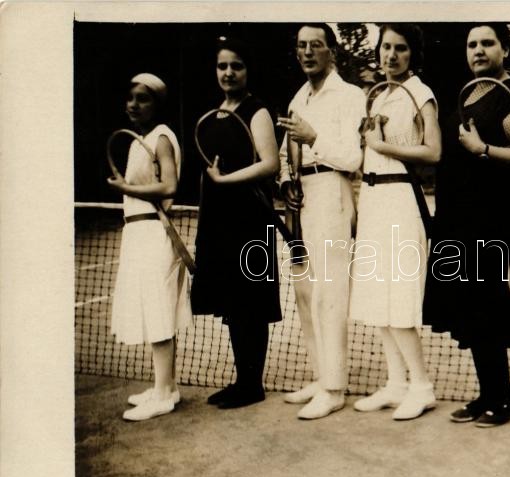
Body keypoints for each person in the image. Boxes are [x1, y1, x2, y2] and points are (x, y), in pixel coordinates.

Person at [422, 24, 510, 427]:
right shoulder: (466, 95)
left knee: (491, 309)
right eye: (472, 44)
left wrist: (484, 149)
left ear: (504, 49)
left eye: (487, 43)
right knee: (470, 310)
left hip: (498, 222)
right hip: (460, 220)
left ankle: (502, 398)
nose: (478, 50)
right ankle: (489, 393)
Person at [349, 24, 442, 420]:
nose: (391, 55)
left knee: (398, 297)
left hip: (401, 200)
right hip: (372, 199)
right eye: (386, 47)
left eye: (400, 48)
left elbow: (433, 152)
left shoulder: (421, 93)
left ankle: (421, 387)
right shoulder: (379, 95)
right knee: (377, 296)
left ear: (412, 54)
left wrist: (382, 145)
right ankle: (396, 384)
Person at [276, 24, 365, 419]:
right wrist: (285, 182)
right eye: (302, 46)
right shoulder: (299, 98)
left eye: (316, 45)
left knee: (330, 294)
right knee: (305, 293)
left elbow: (353, 158)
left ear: (332, 52)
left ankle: (334, 388)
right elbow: (285, 154)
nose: (308, 52)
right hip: (303, 200)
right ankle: (320, 376)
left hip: (332, 192)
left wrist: (313, 138)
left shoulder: (351, 96)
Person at [191, 37, 282, 409]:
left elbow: (270, 164)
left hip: (250, 218)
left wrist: (226, 181)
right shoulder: (214, 114)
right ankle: (242, 380)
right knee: (232, 301)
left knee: (250, 302)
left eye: (237, 66)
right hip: (220, 218)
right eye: (222, 66)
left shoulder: (257, 111)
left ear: (248, 70)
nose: (228, 73)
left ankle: (252, 385)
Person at [108, 73, 192, 421]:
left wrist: (125, 188)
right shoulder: (138, 141)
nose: (133, 104)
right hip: (137, 235)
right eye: (130, 98)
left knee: (159, 314)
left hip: (154, 234)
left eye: (142, 99)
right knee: (152, 311)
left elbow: (169, 186)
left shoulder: (161, 138)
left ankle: (162, 395)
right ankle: (166, 387)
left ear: (157, 104)